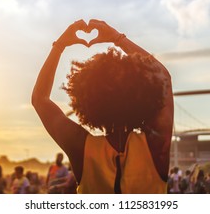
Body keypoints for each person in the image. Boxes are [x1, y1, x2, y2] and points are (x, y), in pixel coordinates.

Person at [32, 19, 173, 194]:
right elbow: (163, 76)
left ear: (87, 102)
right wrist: (117, 38)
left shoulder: (82, 148)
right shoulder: (156, 146)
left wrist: (59, 45)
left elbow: (40, 99)